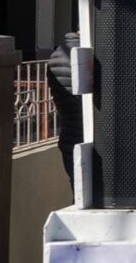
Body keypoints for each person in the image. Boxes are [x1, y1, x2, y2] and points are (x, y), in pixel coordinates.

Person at [47, 31, 82, 188]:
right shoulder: (88, 55)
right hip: (87, 138)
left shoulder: (55, 56)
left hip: (68, 138)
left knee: (77, 189)